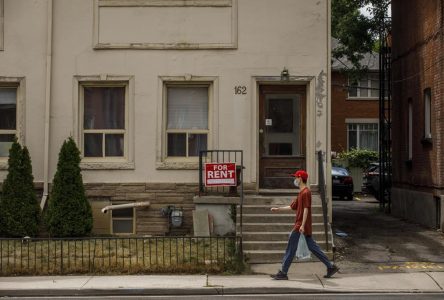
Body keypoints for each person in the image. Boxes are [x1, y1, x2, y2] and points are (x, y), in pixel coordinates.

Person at [270, 170, 339, 280]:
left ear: (300, 178)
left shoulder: (306, 192)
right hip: (303, 226)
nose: (295, 180)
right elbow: (292, 207)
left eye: (296, 177)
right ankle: (330, 267)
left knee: (290, 248)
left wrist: (302, 225)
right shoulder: (301, 193)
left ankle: (283, 272)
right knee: (313, 247)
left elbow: (306, 209)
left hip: (300, 226)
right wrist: (278, 209)